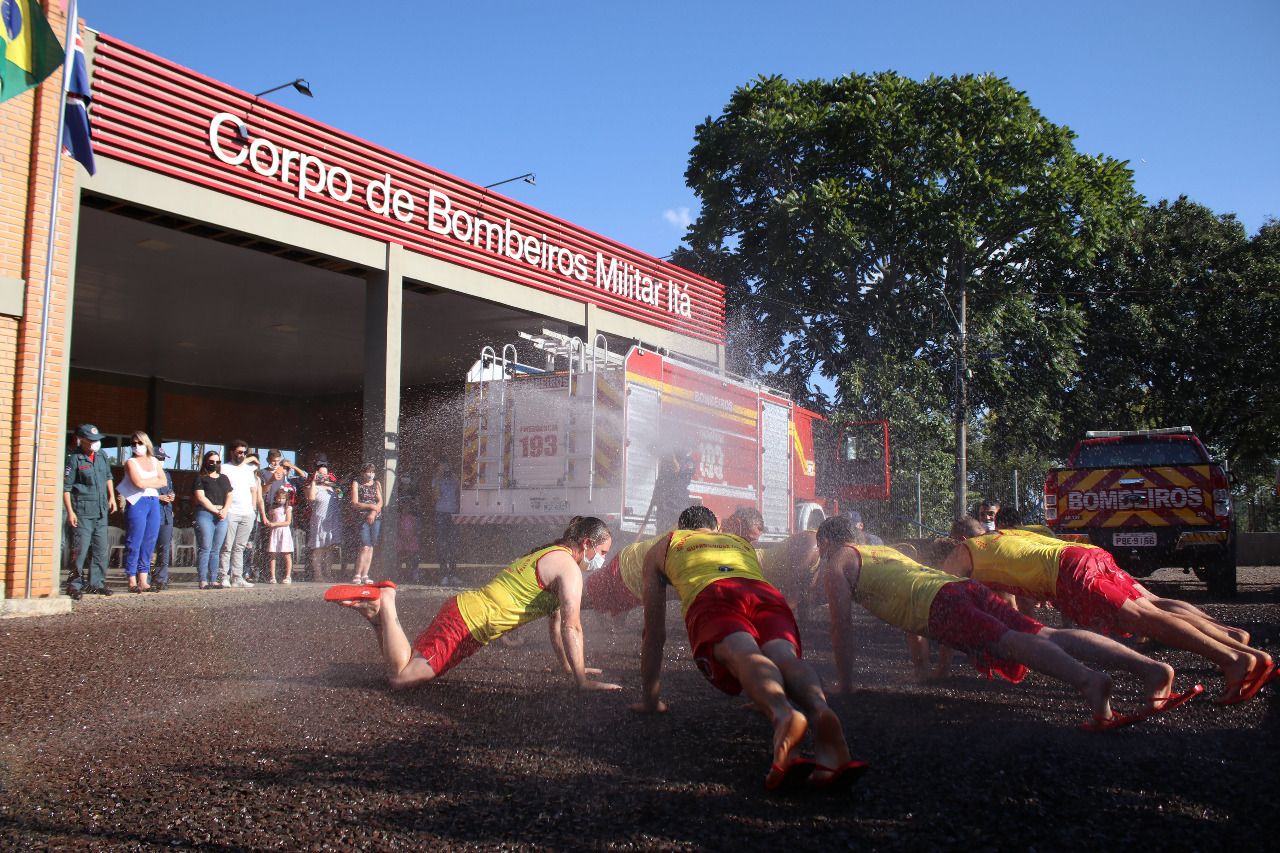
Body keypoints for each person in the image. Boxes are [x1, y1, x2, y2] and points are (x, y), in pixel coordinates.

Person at [816, 517, 1200, 730]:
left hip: (942, 605)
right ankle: (1149, 668)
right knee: (1044, 632)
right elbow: (908, 610)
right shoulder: (881, 552)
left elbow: (841, 627)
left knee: (1009, 641)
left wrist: (845, 685)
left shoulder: (838, 562)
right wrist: (922, 670)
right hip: (958, 589)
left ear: (825, 544)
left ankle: (1089, 681)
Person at [633, 506, 861, 791]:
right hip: (764, 595)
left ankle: (783, 715)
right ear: (716, 527)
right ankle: (820, 710)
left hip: (715, 595)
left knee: (744, 654)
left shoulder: (664, 545)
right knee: (783, 656)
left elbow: (654, 633)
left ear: (681, 529)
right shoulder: (738, 542)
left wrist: (650, 699)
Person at [943, 519, 1275, 705]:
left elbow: (946, 598)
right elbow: (1020, 595)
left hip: (1069, 572)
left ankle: (1231, 659)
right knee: (1153, 606)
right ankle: (1239, 646)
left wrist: (941, 664)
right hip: (1088, 555)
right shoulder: (1006, 535)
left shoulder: (964, 551)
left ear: (960, 538)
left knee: (1145, 620)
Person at [326, 516, 622, 691]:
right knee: (402, 679)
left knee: (406, 666)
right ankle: (386, 602)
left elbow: (557, 626)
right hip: (467, 623)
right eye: (603, 552)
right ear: (587, 543)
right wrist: (582, 682)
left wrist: (570, 669)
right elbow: (573, 627)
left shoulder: (551, 554)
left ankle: (377, 614)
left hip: (466, 617)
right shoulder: (569, 568)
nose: (603, 559)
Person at [63, 423, 118, 599]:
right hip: (83, 512)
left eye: (97, 439)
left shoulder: (102, 455)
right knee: (80, 550)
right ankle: (74, 584)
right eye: (91, 440)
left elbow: (108, 477)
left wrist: (112, 497)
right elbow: (66, 488)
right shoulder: (75, 459)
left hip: (101, 511)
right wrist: (70, 512)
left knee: (100, 550)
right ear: (82, 440)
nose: (95, 443)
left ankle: (96, 584)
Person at [116, 430, 169, 593]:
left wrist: (147, 481)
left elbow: (163, 481)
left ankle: (143, 579)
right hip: (137, 501)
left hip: (153, 501)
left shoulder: (154, 460)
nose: (136, 446)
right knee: (135, 540)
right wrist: (152, 480)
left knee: (149, 541)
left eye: (139, 443)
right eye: (133, 443)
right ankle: (131, 579)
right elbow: (138, 483)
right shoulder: (131, 462)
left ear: (146, 444)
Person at [219, 440, 263, 588]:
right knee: (227, 546)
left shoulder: (248, 470)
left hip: (247, 513)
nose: (242, 455)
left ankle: (237, 577)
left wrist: (252, 509)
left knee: (240, 547)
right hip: (231, 511)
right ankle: (223, 576)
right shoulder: (224, 468)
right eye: (239, 452)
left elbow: (253, 490)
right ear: (232, 452)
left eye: (244, 452)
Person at [193, 449, 231, 590]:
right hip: (205, 513)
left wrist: (225, 510)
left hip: (222, 514)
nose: (214, 464)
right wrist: (216, 511)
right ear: (206, 462)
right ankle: (203, 579)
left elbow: (230, 495)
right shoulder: (200, 478)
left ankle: (213, 579)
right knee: (205, 547)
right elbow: (200, 497)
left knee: (216, 549)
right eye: (211, 461)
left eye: (217, 462)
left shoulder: (224, 478)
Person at [306, 459, 343, 581]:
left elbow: (341, 495)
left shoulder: (332, 487)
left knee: (329, 549)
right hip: (319, 521)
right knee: (319, 549)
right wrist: (313, 481)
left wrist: (330, 483)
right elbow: (311, 498)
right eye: (321, 474)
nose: (323, 476)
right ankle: (318, 574)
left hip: (332, 521)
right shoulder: (313, 487)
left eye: (325, 474)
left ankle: (328, 573)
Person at [351, 462, 383, 585]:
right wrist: (371, 506)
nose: (371, 474)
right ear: (363, 473)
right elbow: (355, 503)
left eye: (373, 472)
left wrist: (373, 512)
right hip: (362, 517)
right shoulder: (357, 483)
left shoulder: (376, 484)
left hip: (376, 518)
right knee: (365, 545)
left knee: (371, 546)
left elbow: (380, 502)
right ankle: (357, 574)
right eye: (368, 471)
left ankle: (365, 574)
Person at [150, 446, 176, 592]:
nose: (161, 461)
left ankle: (161, 578)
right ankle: (146, 577)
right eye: (159, 458)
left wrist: (171, 496)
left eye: (163, 458)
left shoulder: (166, 474)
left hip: (166, 514)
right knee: (148, 548)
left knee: (164, 548)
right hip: (153, 513)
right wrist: (158, 497)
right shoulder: (147, 474)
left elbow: (170, 490)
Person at [652, 446, 695, 533]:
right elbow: (660, 482)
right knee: (661, 534)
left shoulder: (689, 462)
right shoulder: (667, 460)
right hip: (664, 507)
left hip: (678, 506)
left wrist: (672, 457)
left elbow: (677, 468)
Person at [431, 459, 460, 585]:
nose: (445, 470)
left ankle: (453, 574)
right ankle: (443, 574)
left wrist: (454, 477)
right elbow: (436, 496)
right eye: (442, 467)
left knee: (453, 544)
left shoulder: (454, 478)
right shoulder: (436, 480)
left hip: (453, 513)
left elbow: (460, 491)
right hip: (441, 513)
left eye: (446, 467)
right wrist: (439, 478)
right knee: (441, 544)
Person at [264, 487, 295, 584]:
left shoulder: (287, 508)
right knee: (273, 554)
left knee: (286, 554)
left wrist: (274, 524)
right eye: (279, 498)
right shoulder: (273, 508)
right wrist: (269, 524)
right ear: (276, 498)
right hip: (275, 532)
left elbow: (287, 522)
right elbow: (271, 519)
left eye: (283, 498)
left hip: (284, 532)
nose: (281, 500)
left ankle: (288, 576)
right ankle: (272, 576)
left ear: (286, 499)